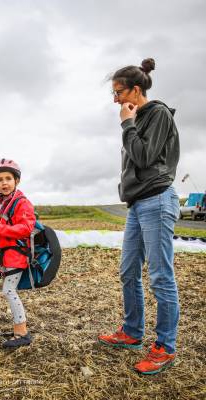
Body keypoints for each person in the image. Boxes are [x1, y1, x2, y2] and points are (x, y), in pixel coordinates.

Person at [98, 58, 181, 375]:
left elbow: (145, 157)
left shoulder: (156, 113)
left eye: (118, 92)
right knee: (128, 270)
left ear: (135, 89)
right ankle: (132, 333)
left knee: (161, 276)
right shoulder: (137, 118)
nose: (116, 100)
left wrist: (126, 125)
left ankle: (165, 348)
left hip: (158, 200)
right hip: (138, 203)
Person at [0, 159, 36, 349]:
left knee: (8, 290)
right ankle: (18, 328)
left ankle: (22, 332)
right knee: (8, 290)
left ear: (17, 181)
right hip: (5, 256)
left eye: (8, 178)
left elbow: (25, 228)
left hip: (17, 255)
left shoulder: (22, 203)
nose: (4, 183)